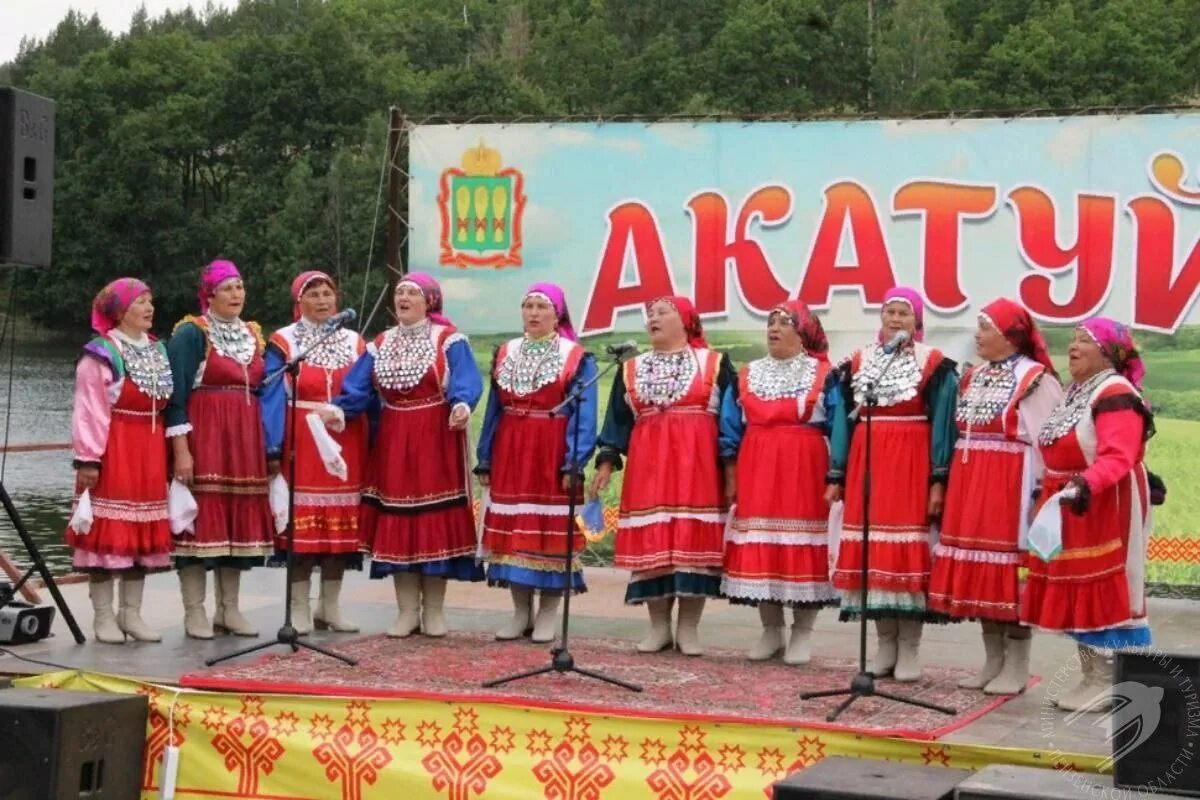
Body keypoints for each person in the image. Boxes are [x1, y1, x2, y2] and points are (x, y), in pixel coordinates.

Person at [322, 272, 483, 638]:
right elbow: (359, 386)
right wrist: (340, 409)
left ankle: (435, 611)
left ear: (430, 301)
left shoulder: (448, 339)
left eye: (412, 293)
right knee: (400, 521)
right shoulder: (380, 342)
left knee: (432, 523)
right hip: (394, 438)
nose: (404, 298)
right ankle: (407, 611)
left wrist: (460, 404)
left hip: (435, 436)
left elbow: (467, 379)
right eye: (399, 293)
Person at [928, 298, 1063, 694]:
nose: (978, 335)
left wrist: (1041, 494)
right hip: (974, 481)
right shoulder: (974, 376)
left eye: (986, 328)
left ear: (1009, 336)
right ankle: (993, 660)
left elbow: (1047, 443)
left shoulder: (1035, 379)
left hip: (1012, 485)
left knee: (1007, 573)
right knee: (981, 577)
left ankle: (1017, 664)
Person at [1021, 318, 1154, 712]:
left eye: (1085, 340)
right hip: (1070, 500)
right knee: (1076, 585)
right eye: (1073, 339)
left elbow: (1118, 455)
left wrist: (1083, 486)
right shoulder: (1076, 391)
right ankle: (1090, 674)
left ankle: (1107, 679)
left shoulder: (1115, 393)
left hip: (1104, 500)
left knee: (1104, 584)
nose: (1073, 346)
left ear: (1110, 353)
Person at [591, 296, 735, 656]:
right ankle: (658, 628)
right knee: (653, 546)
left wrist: (731, 471)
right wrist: (606, 464)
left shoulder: (714, 363)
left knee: (692, 549)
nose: (652, 319)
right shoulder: (631, 369)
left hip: (697, 469)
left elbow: (731, 423)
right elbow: (617, 423)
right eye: (649, 315)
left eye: (661, 313)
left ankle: (688, 629)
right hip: (648, 469)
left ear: (685, 321)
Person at [829, 286, 958, 681]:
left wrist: (938, 479)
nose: (896, 319)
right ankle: (884, 644)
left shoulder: (934, 365)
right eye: (890, 311)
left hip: (911, 464)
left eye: (904, 312)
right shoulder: (858, 363)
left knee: (905, 553)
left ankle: (909, 649)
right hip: (868, 463)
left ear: (918, 321)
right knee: (873, 556)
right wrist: (837, 472)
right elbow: (842, 423)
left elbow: (943, 423)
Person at [719, 301, 844, 664]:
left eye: (784, 322)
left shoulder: (825, 375)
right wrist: (731, 474)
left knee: (803, 545)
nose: (773, 328)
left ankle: (802, 632)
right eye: (770, 322)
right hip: (757, 463)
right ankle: (771, 629)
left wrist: (837, 473)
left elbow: (838, 426)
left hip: (805, 466)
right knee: (765, 544)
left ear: (803, 332)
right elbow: (730, 426)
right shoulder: (747, 374)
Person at [476, 283, 597, 643]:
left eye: (541, 306)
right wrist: (485, 457)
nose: (532, 313)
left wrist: (572, 462)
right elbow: (494, 410)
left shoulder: (575, 357)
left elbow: (584, 414)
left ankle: (547, 613)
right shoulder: (506, 352)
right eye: (527, 305)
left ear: (557, 313)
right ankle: (519, 611)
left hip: (551, 448)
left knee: (550, 536)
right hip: (512, 448)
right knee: (514, 533)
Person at [166, 260, 274, 639]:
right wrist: (182, 451)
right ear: (209, 294)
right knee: (200, 521)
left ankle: (229, 609)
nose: (236, 294)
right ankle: (194, 611)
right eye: (227, 288)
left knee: (235, 521)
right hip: (205, 434)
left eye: (240, 287)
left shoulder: (254, 334)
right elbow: (175, 397)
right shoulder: (191, 334)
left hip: (244, 439)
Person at [67, 278, 174, 643]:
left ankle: (131, 614)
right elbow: (89, 410)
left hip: (150, 448)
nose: (149, 308)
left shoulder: (158, 349)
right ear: (119, 310)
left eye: (150, 301)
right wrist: (88, 459)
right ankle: (102, 616)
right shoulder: (101, 353)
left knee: (140, 536)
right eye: (140, 302)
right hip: (114, 448)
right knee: (106, 534)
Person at [261, 271, 367, 635]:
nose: (323, 301)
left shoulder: (354, 342)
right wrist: (272, 445)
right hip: (301, 437)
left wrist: (343, 410)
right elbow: (272, 394)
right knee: (301, 530)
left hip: (343, 434)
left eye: (328, 294)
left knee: (339, 530)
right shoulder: (284, 342)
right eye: (314, 294)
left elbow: (364, 387)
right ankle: (299, 606)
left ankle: (330, 606)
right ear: (298, 302)